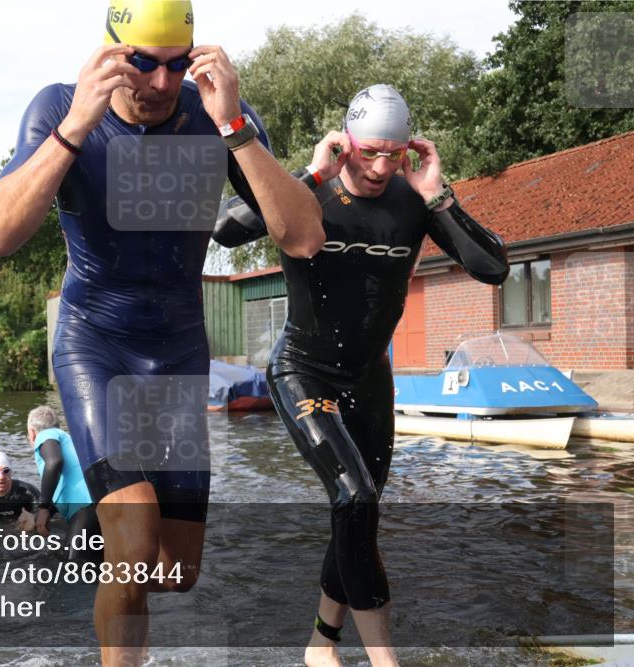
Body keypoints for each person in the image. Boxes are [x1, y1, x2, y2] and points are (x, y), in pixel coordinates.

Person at [0, 2, 324, 660]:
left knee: (172, 570)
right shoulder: (60, 105)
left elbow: (304, 236)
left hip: (176, 350)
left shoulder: (216, 115)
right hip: (96, 341)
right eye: (143, 63)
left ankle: (110, 590)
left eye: (177, 64)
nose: (163, 84)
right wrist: (78, 126)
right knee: (133, 545)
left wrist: (235, 127)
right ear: (112, 54)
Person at [214, 83, 509, 667]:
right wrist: (309, 176)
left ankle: (321, 645)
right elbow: (228, 228)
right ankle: (383, 660)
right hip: (304, 372)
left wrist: (438, 198)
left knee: (359, 511)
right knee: (353, 496)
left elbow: (493, 268)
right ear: (344, 144)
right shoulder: (313, 194)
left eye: (393, 156)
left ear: (410, 152)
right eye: (368, 151)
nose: (379, 168)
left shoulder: (411, 202)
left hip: (369, 381)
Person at [27, 406, 100, 562]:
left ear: (32, 432)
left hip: (86, 507)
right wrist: (40, 515)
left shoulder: (45, 435)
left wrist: (43, 508)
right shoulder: (69, 440)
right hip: (98, 505)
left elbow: (54, 462)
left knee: (74, 568)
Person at [0, 452, 40, 532]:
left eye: (6, 471)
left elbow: (45, 513)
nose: (1, 477)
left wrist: (34, 518)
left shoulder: (28, 492)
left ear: (11, 472)